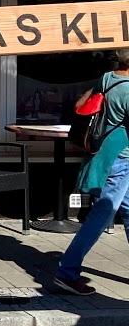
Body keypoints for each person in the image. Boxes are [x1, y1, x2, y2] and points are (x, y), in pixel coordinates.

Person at [55, 48, 129, 294]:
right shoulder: (128, 89)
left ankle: (67, 270)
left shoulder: (108, 78)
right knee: (99, 218)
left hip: (108, 155)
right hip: (120, 160)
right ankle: (67, 271)